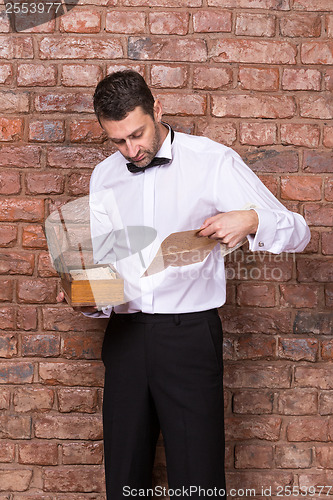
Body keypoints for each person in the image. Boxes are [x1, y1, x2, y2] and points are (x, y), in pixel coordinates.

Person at [57, 70, 310, 499]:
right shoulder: (103, 176)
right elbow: (104, 269)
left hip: (189, 337)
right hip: (125, 339)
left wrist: (250, 219)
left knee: (198, 480)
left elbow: (297, 229)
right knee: (124, 477)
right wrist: (85, 296)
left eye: (137, 134)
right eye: (118, 141)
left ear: (157, 110)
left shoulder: (212, 161)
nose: (131, 150)